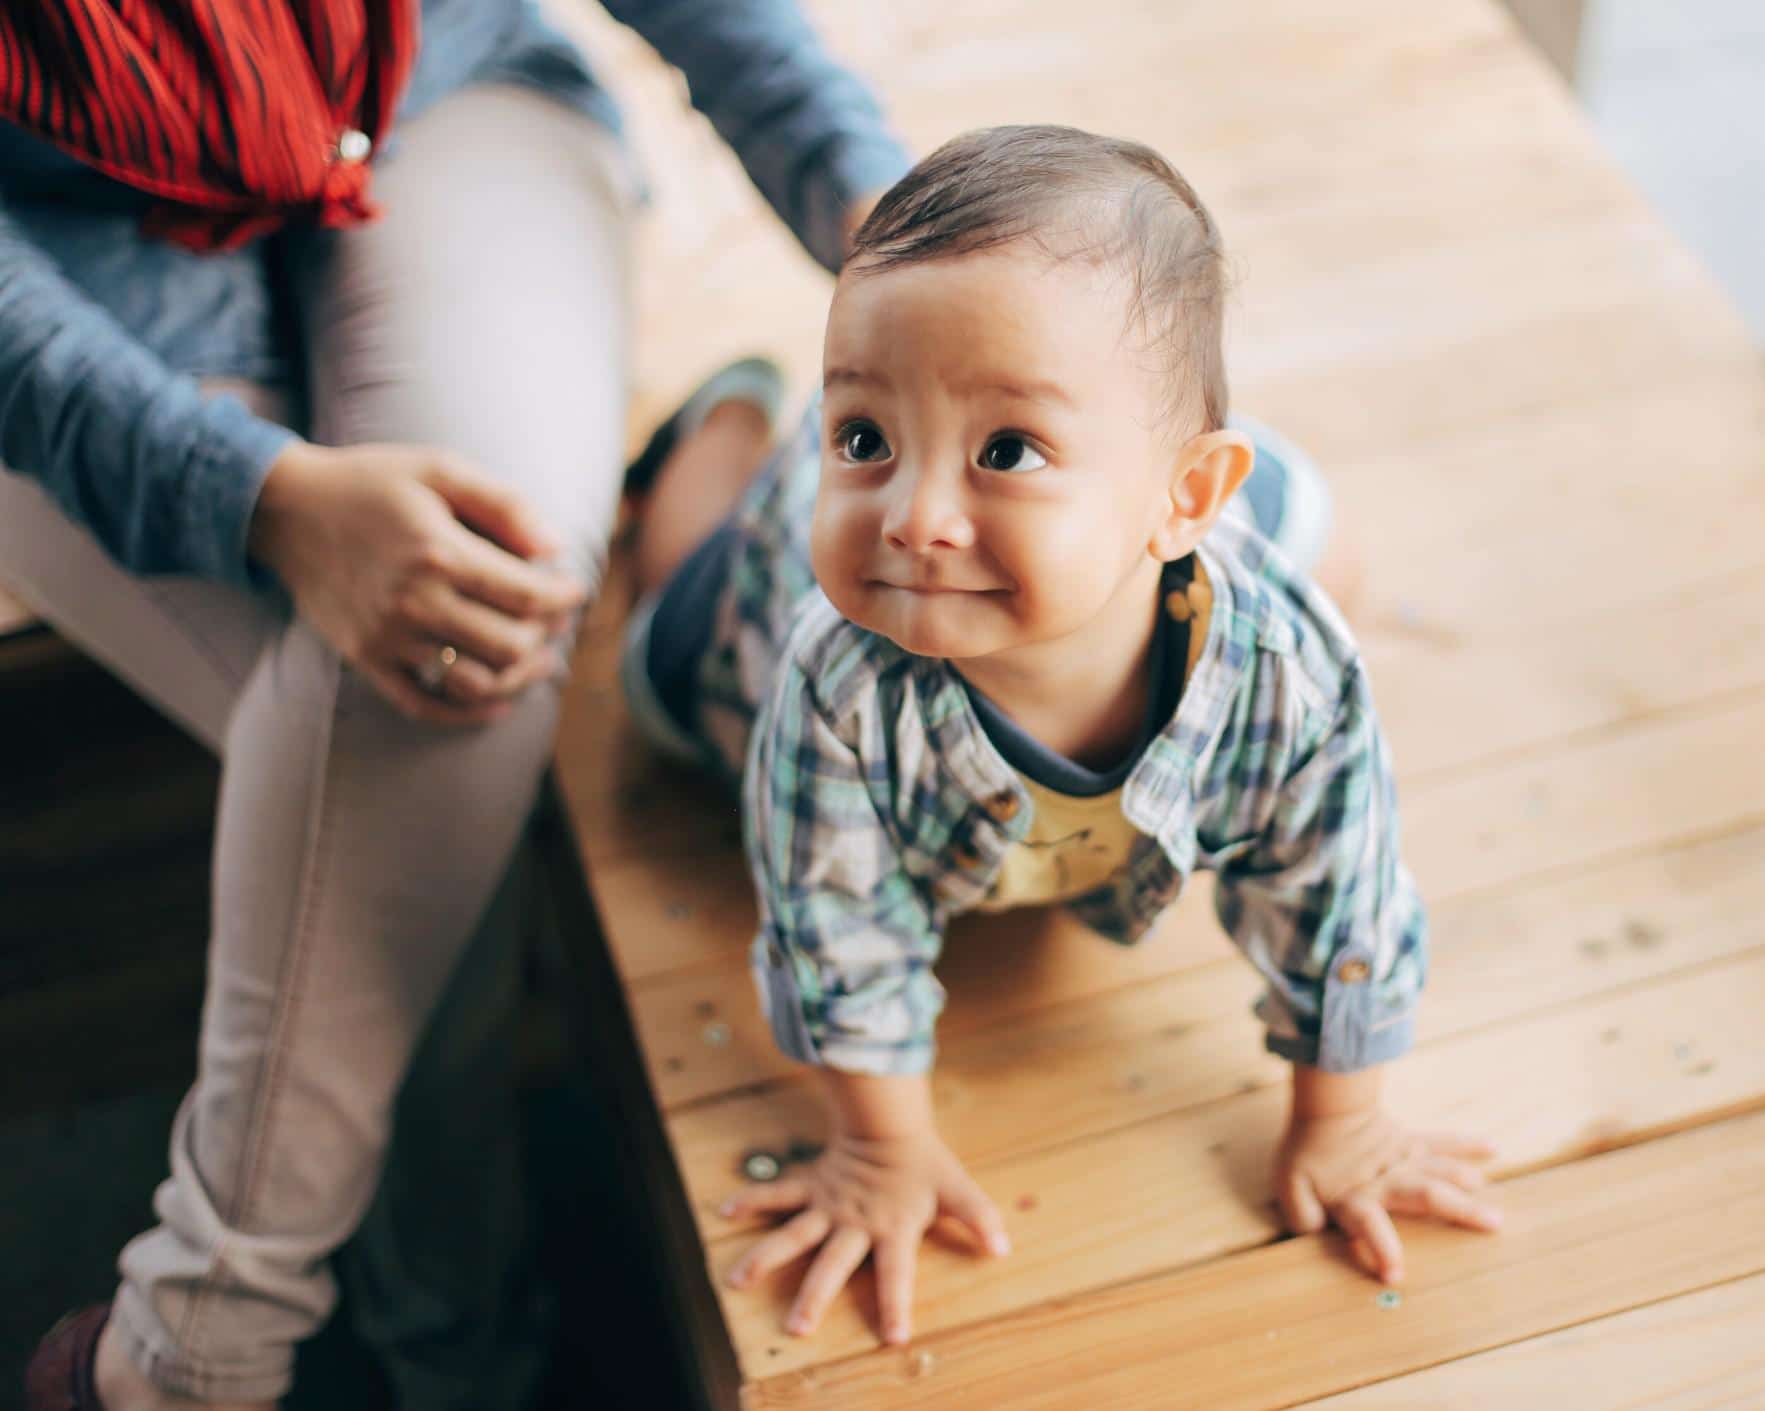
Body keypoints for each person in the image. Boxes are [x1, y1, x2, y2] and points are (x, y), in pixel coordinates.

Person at [8, 3, 906, 1408]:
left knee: (457, 657)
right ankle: (461, 1349)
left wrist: (896, 225)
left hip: (446, 99)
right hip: (60, 262)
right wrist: (258, 498)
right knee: (424, 754)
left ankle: (209, 1345)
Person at [616, 124, 1507, 1351]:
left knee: (1320, 543)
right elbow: (837, 930)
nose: (915, 515)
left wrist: (1341, 1115)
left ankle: (1132, 473)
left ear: (1186, 498)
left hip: (1163, 558)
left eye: (1006, 450)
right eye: (862, 435)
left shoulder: (1283, 671)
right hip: (758, 575)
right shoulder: (828, 690)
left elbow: (1339, 887)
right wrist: (882, 1145)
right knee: (659, 647)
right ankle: (724, 423)